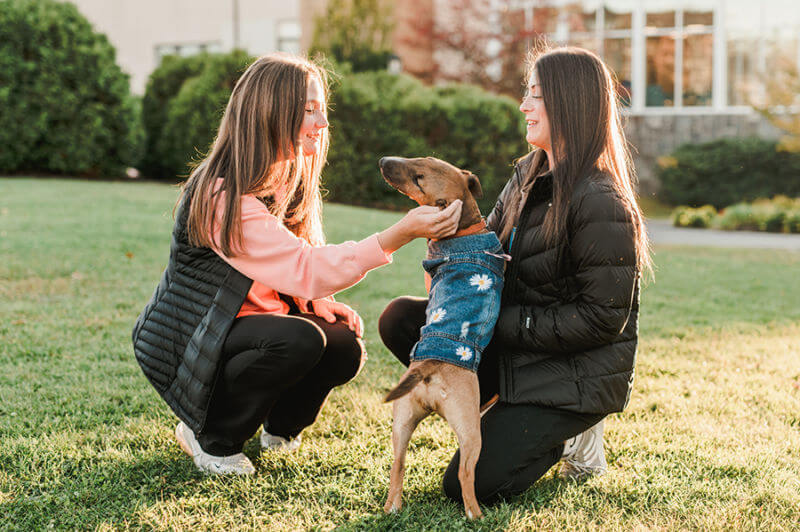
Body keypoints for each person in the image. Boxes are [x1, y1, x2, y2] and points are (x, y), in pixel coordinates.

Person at [131, 53, 463, 476]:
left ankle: (280, 429)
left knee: (343, 344)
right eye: (308, 110)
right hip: (197, 334)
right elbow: (304, 266)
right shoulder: (220, 195)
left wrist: (319, 303)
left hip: (249, 321)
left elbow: (297, 261)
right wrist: (399, 233)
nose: (322, 122)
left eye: (322, 108)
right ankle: (210, 436)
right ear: (269, 111)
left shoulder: (286, 176)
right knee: (299, 340)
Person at [379, 46, 652, 504]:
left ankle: (572, 435)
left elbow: (603, 320)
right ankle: (500, 407)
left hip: (570, 373)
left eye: (535, 96)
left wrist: (501, 323)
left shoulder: (601, 200)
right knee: (403, 320)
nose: (524, 106)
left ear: (570, 103)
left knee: (469, 487)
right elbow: (488, 249)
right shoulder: (527, 173)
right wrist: (446, 248)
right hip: (517, 350)